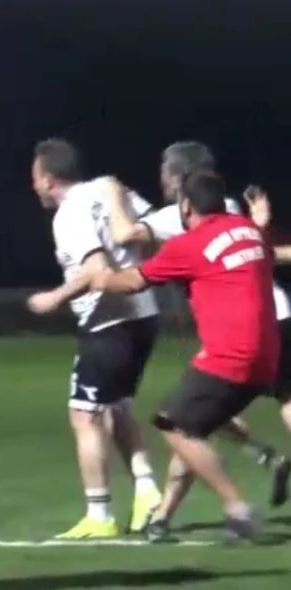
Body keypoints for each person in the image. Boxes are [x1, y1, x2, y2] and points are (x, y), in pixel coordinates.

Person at [101, 142, 291, 538]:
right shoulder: (246, 228)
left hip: (233, 351)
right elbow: (263, 250)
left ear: (185, 203)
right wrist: (261, 223)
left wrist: (98, 278)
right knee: (193, 425)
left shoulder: (187, 240)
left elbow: (131, 270)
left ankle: (237, 509)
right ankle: (164, 518)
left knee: (173, 423)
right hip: (268, 344)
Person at [26, 138, 164, 538]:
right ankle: (147, 491)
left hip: (108, 323)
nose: (33, 186)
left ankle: (99, 514)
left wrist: (53, 298)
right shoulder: (109, 189)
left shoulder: (70, 212)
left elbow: (96, 270)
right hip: (144, 316)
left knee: (84, 415)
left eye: (35, 178)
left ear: (49, 179)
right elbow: (155, 234)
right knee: (118, 408)